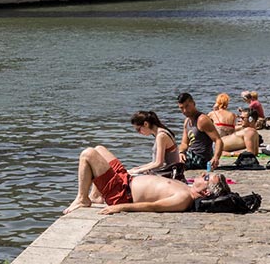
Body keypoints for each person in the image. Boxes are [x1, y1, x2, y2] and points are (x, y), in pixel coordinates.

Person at [62, 145, 229, 215]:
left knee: (88, 154)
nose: (201, 175)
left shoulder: (184, 198)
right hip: (125, 180)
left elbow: (153, 207)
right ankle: (96, 196)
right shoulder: (187, 188)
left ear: (206, 191)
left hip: (121, 192)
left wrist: (119, 207)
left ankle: (82, 199)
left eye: (206, 178)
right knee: (100, 149)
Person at [129, 111, 184, 181]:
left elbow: (159, 163)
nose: (139, 133)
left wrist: (138, 171)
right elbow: (155, 162)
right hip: (168, 171)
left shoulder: (161, 136)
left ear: (146, 124)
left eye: (138, 129)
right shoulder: (161, 133)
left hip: (170, 174)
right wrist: (138, 168)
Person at [177, 92, 224, 170]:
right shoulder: (187, 121)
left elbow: (218, 140)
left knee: (172, 164)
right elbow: (184, 143)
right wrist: (181, 152)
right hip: (191, 155)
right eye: (182, 108)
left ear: (193, 103)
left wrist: (216, 158)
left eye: (187, 106)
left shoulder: (202, 120)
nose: (185, 110)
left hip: (202, 159)